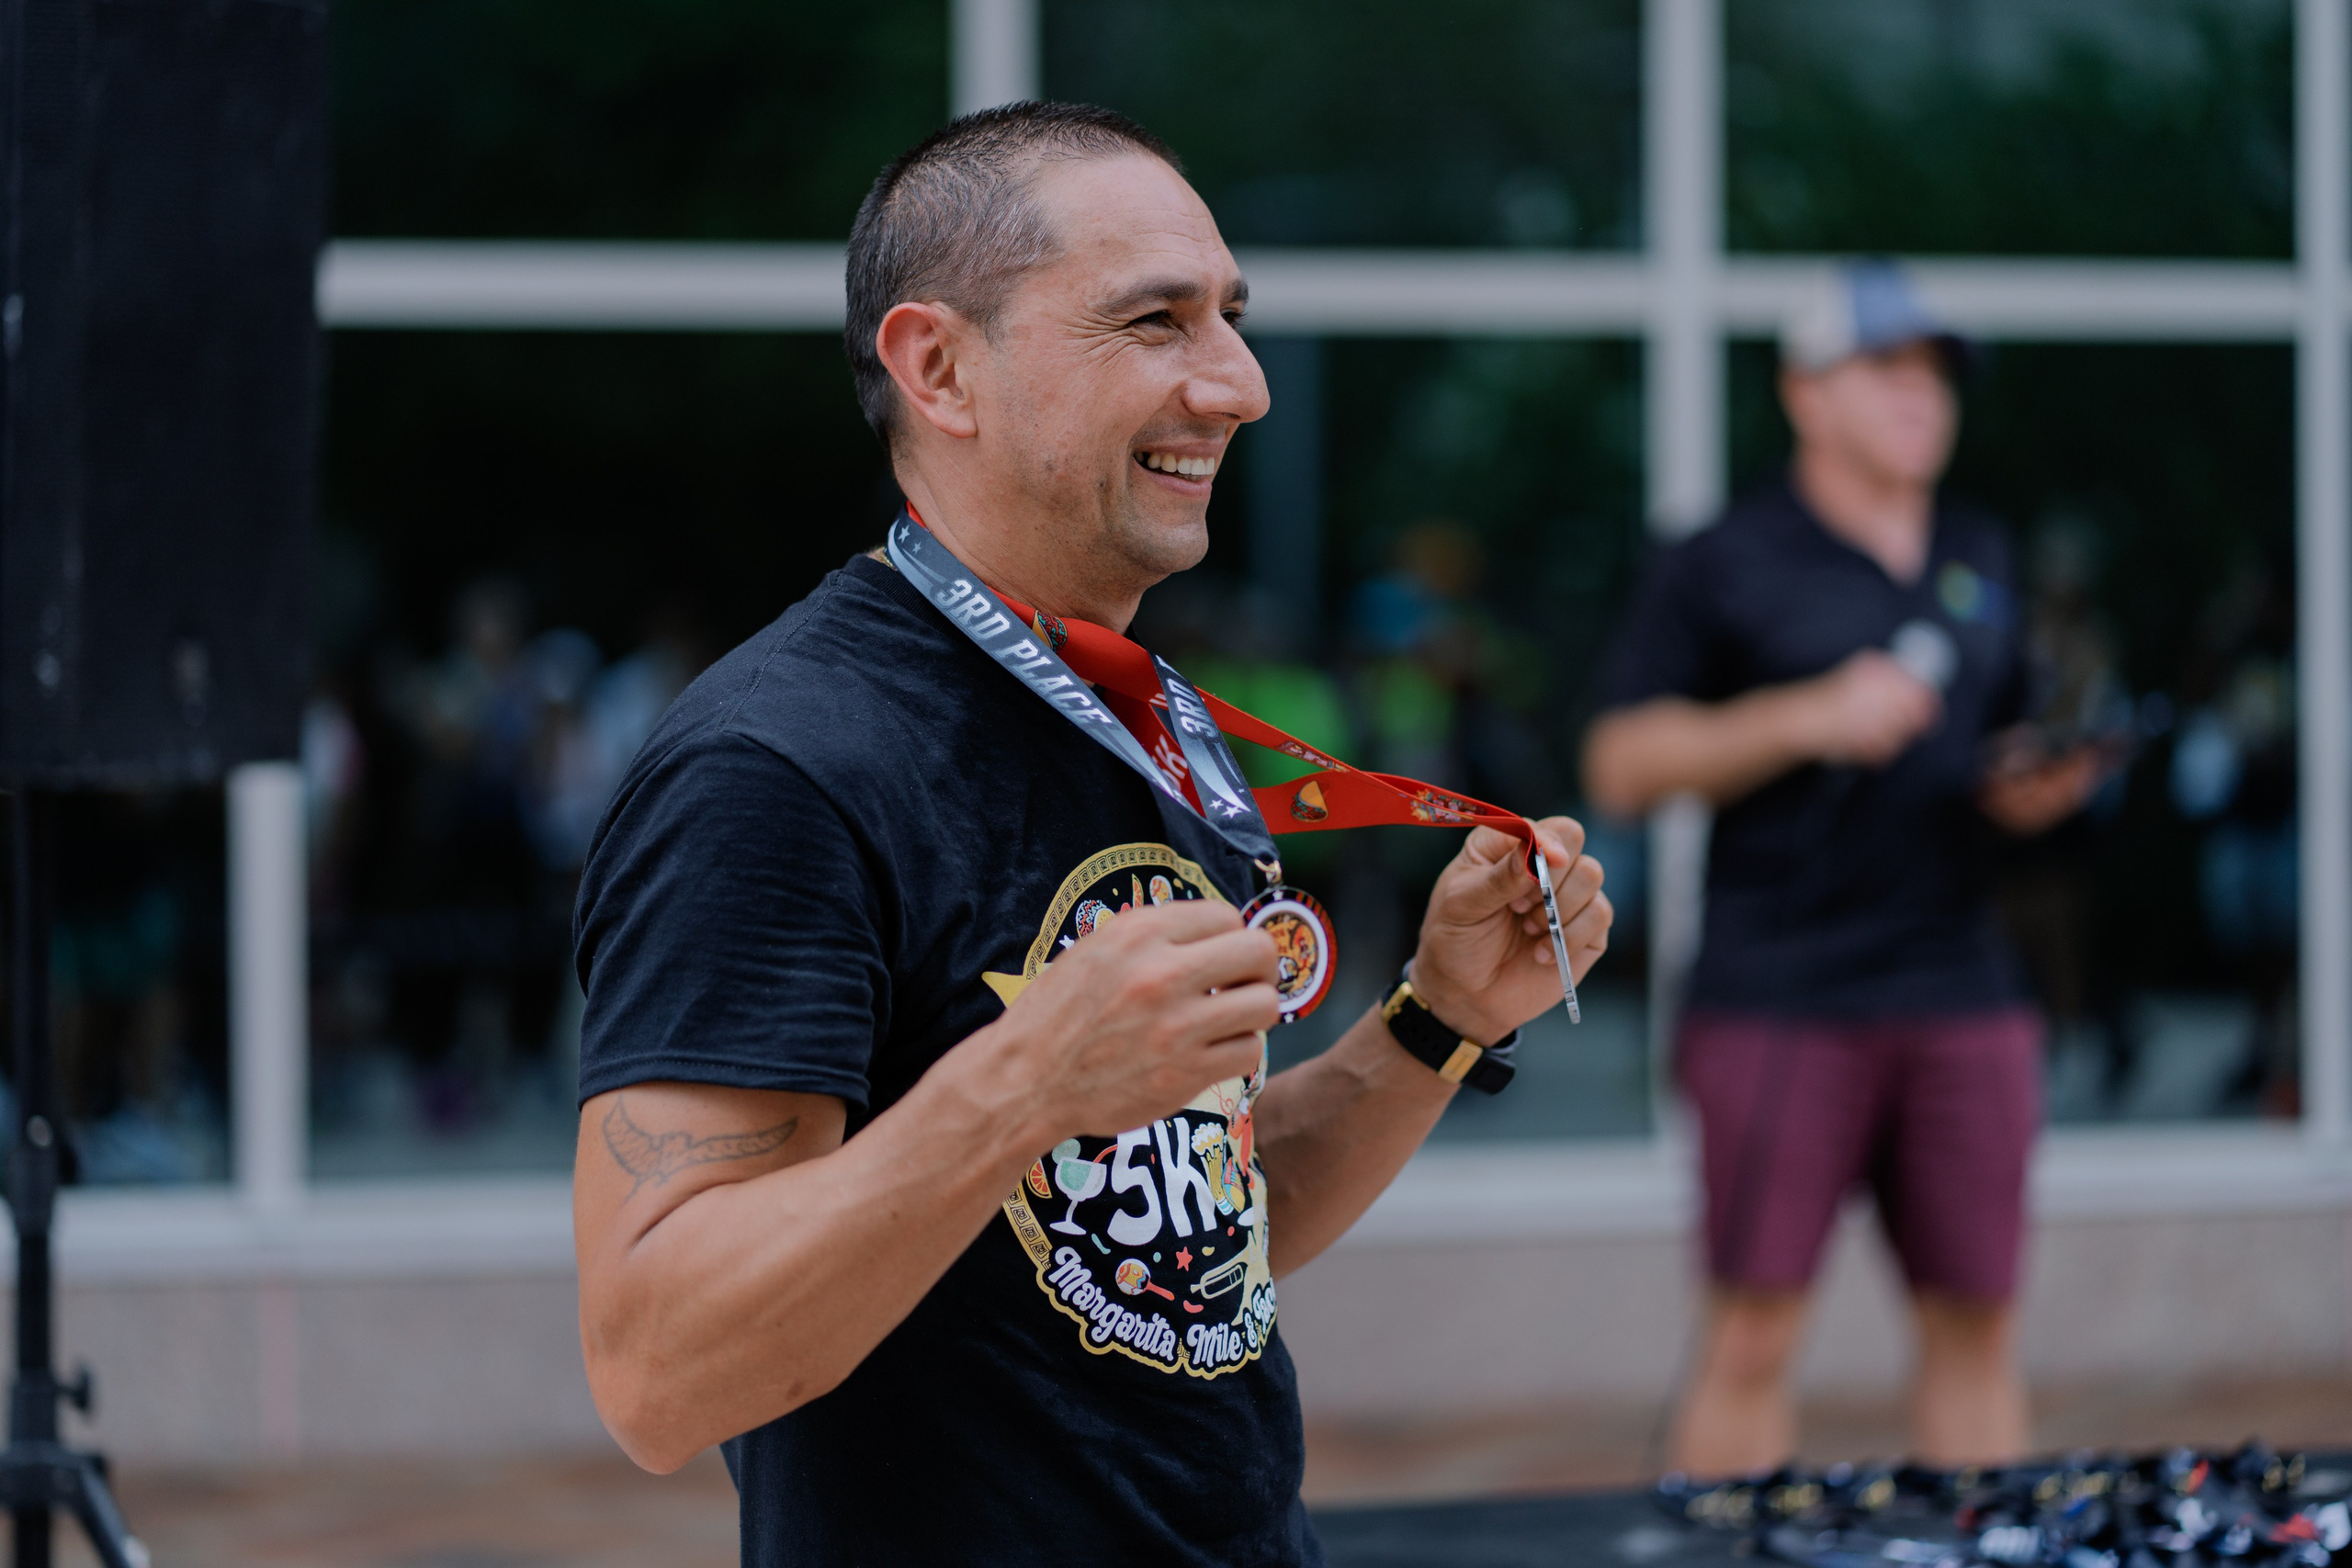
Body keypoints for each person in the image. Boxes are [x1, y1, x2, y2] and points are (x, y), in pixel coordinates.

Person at [569, 102, 1611, 1566]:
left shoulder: (1141, 716)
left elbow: (1186, 1235)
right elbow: (655, 1369)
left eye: (1232, 318)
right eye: (1155, 321)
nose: (1240, 384)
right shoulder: (773, 764)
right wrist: (1026, 1083)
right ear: (939, 367)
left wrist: (1436, 1019)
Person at [1582, 262, 2101, 1476]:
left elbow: (2005, 740)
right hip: (1784, 993)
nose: (1922, 399)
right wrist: (1799, 717)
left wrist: (2039, 787)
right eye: (1888, 370)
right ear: (1806, 392)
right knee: (1756, 1332)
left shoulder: (1980, 550)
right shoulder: (1723, 557)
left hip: (1965, 986)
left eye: (1937, 376)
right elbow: (1618, 762)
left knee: (1980, 1323)